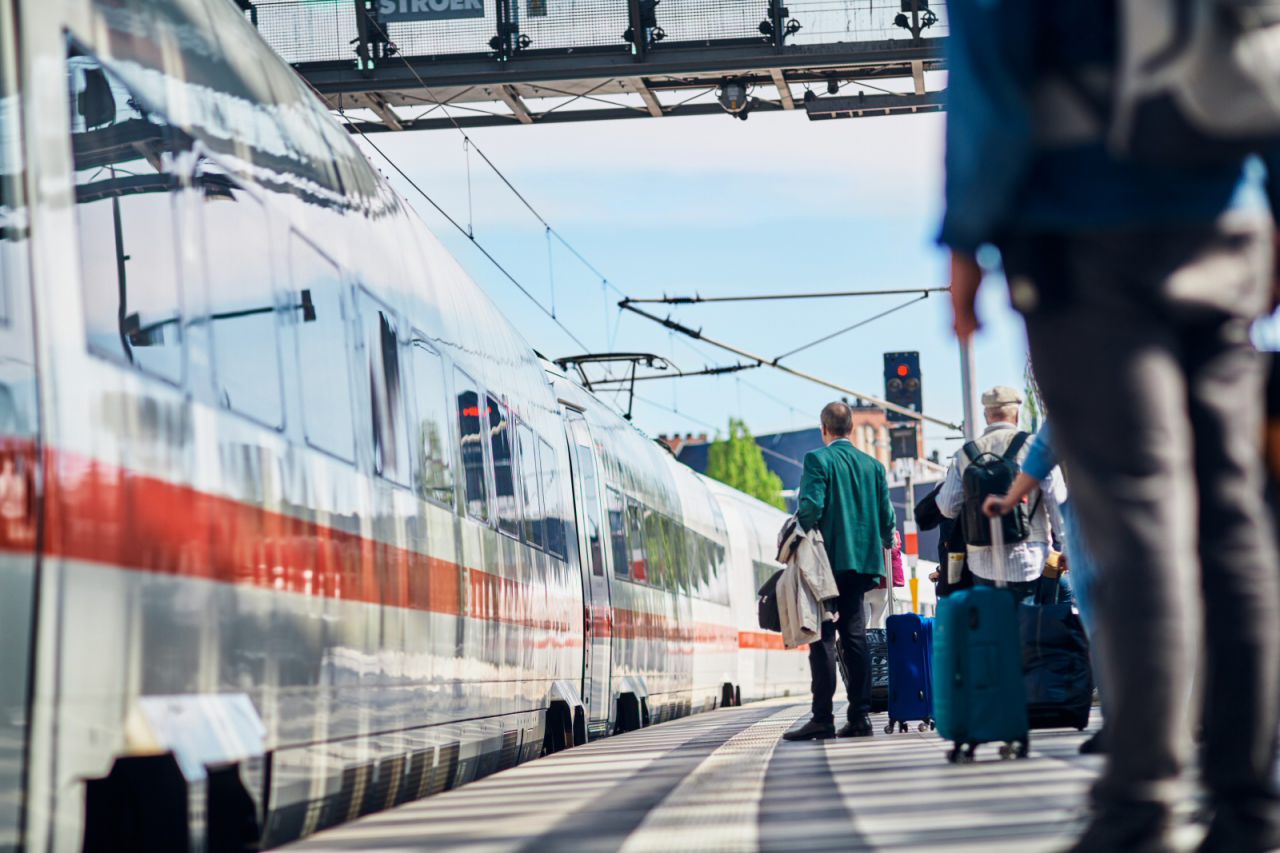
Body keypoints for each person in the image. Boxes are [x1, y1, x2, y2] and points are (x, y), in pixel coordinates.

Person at [941, 1, 1280, 848]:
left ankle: (1142, 802)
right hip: (1227, 216)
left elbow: (990, 68)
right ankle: (1250, 803)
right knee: (1233, 516)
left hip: (1085, 225)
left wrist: (967, 236)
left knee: (1138, 515)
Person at [984, 422, 1105, 754]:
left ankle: (1120, 724)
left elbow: (1042, 458)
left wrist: (1008, 501)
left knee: (1103, 631)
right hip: (1151, 513)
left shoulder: (1070, 402)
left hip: (1093, 524)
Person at [782, 401, 896, 741]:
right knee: (855, 635)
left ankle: (822, 718)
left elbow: (811, 508)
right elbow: (888, 520)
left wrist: (795, 536)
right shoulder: (874, 466)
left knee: (822, 637)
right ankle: (860, 717)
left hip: (826, 564)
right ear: (851, 428)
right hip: (863, 565)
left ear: (824, 429)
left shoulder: (818, 460)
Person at [935, 386, 1063, 604]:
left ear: (987, 415)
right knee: (1026, 619)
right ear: (1016, 414)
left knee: (993, 619)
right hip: (1029, 558)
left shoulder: (965, 454)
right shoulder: (1035, 448)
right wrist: (1066, 547)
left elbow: (947, 507)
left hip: (981, 561)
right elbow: (1057, 501)